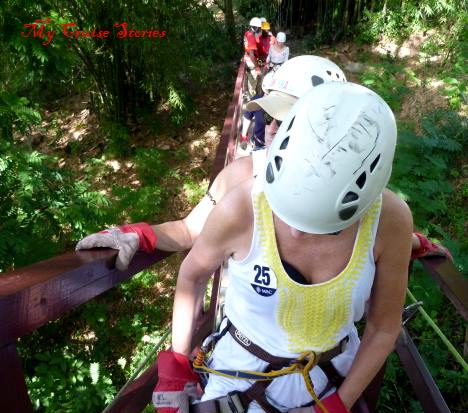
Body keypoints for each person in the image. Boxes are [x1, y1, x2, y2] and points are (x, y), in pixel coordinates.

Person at [152, 82, 413, 413]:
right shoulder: (243, 206)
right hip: (243, 374)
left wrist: (334, 412)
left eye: (326, 226)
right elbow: (192, 274)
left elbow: (384, 327)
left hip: (324, 381)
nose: (294, 232)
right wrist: (175, 365)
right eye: (287, 210)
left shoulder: (389, 221)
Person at [75, 55, 452, 268]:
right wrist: (137, 234)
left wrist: (409, 241)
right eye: (269, 117)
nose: (270, 129)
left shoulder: (358, 186)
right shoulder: (242, 175)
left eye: (285, 120)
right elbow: (191, 230)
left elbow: (371, 224)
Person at [239, 72, 274, 151]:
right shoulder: (257, 100)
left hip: (276, 146)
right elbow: (247, 117)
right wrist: (243, 137)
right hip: (258, 144)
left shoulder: (283, 104)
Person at [244, 17, 262, 97]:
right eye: (259, 28)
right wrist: (257, 67)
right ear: (256, 27)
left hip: (248, 59)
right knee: (253, 84)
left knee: (251, 83)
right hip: (252, 63)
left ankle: (252, 96)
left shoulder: (247, 33)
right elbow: (252, 54)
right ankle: (253, 99)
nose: (260, 29)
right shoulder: (251, 37)